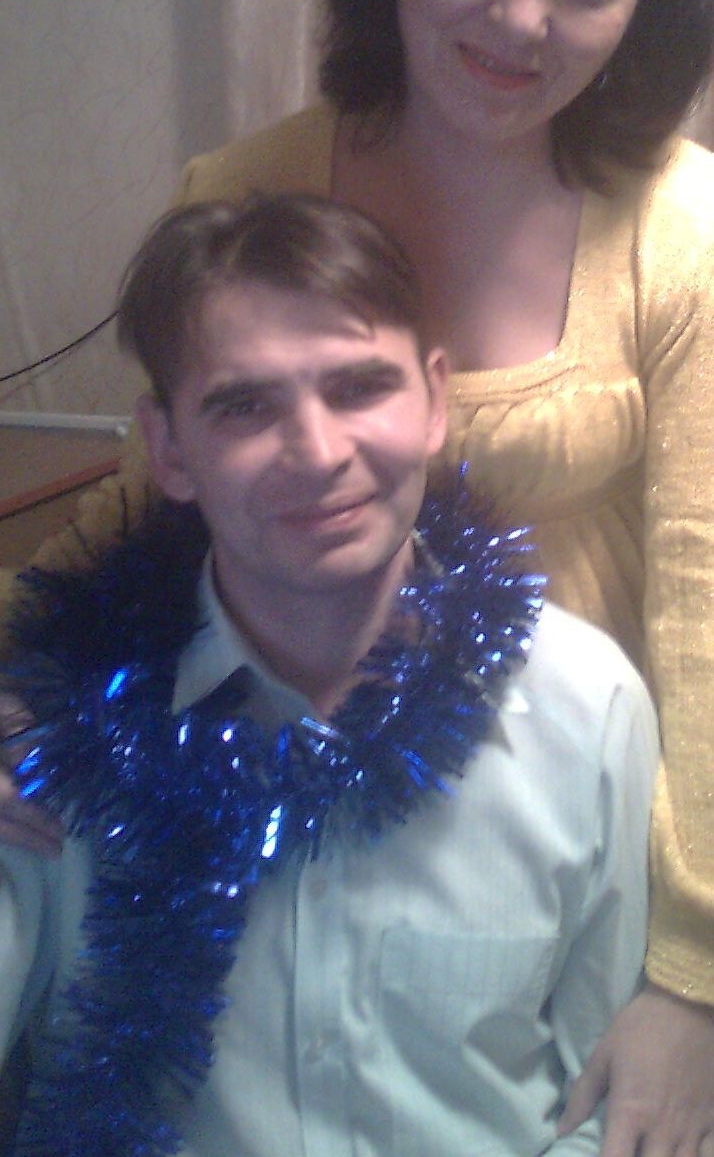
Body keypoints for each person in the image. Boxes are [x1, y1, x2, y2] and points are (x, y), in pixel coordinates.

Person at [2, 0, 714, 1152]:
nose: (523, 14)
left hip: (568, 815)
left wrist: (687, 970)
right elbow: (155, 508)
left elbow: (707, 600)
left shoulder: (680, 230)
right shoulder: (247, 184)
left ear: (640, 8)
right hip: (273, 763)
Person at [0, 194, 658, 1157]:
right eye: (244, 405)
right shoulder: (56, 732)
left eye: (359, 386)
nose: (316, 453)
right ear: (169, 449)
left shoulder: (587, 709)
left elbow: (612, 1096)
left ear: (434, 401)